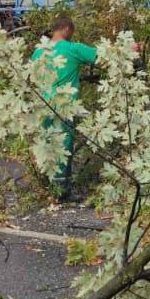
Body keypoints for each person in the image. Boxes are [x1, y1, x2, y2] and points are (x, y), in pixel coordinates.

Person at [31, 15, 98, 200]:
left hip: (42, 105)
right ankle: (61, 193)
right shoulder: (72, 48)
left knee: (47, 144)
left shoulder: (39, 52)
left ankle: (47, 185)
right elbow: (101, 55)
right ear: (67, 29)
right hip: (64, 107)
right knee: (63, 145)